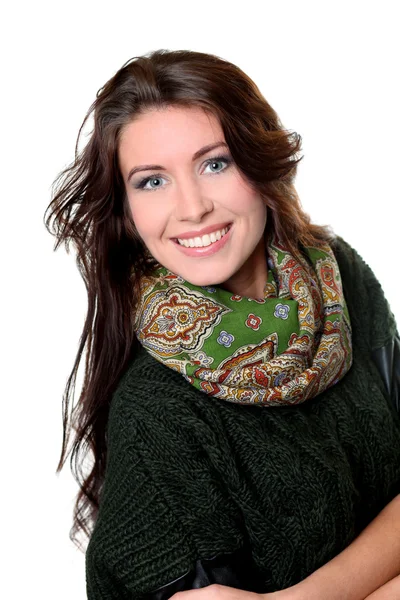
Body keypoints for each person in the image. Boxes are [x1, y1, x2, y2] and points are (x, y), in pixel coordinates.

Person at [44, 49, 400, 599]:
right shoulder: (155, 417)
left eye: (215, 163)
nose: (191, 209)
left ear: (260, 162)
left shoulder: (339, 278)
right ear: (128, 212)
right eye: (152, 181)